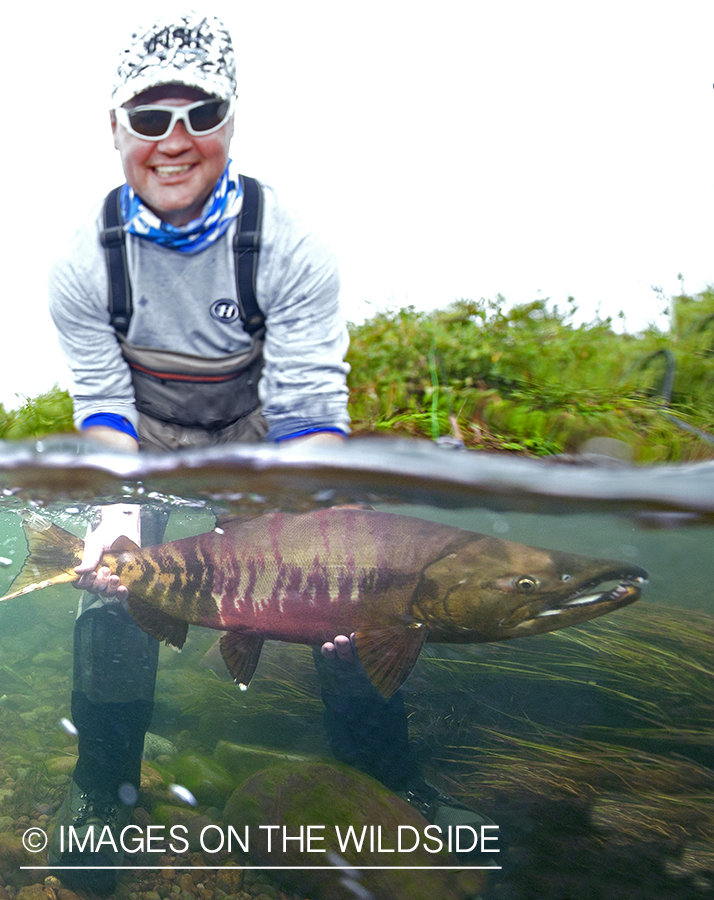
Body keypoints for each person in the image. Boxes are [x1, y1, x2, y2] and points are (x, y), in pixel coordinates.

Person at [48, 11, 485, 893]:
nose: (175, 141)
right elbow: (103, 408)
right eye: (149, 117)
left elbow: (310, 409)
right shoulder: (80, 264)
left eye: (200, 113)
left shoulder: (292, 245)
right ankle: (102, 797)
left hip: (266, 439)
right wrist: (114, 515)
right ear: (114, 128)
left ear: (232, 121)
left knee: (353, 592)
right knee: (114, 594)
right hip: (147, 442)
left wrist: (323, 537)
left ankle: (387, 789)